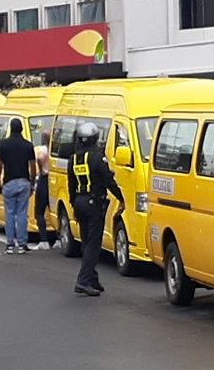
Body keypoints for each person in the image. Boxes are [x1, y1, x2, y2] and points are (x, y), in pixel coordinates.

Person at [67, 123, 125, 297]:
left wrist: (73, 204)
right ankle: (83, 281)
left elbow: (70, 185)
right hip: (94, 204)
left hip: (79, 202)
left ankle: (92, 279)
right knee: (93, 244)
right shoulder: (97, 158)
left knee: (86, 242)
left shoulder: (73, 159)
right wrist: (121, 198)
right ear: (95, 139)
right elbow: (108, 181)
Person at [0, 118, 36, 255]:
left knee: (9, 214)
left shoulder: (3, 145)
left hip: (9, 182)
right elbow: (32, 165)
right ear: (22, 129)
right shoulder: (28, 145)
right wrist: (32, 182)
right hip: (24, 181)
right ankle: (22, 245)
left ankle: (9, 244)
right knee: (22, 214)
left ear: (10, 129)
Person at [35, 130, 59, 250]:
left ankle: (43, 240)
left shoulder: (44, 149)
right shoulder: (56, 150)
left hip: (44, 179)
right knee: (54, 209)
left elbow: (40, 159)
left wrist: (41, 169)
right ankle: (59, 237)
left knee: (39, 211)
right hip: (54, 179)